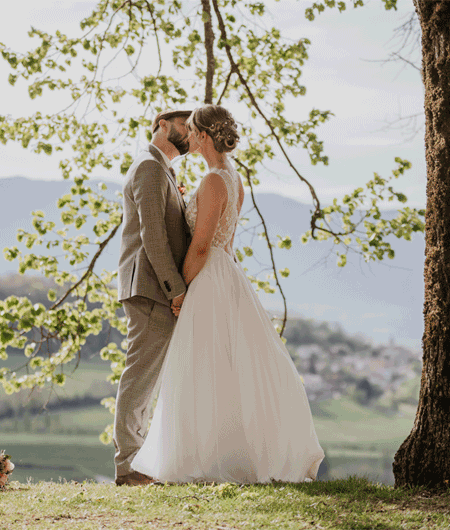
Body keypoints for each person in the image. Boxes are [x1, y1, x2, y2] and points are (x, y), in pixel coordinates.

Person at [130, 104, 325, 484]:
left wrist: (180, 292)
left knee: (203, 366)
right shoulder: (233, 179)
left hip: (206, 276)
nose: (188, 138)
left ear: (203, 136)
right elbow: (227, 243)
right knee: (226, 367)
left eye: (192, 131)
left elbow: (202, 246)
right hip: (226, 272)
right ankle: (228, 453)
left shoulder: (212, 182)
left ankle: (205, 458)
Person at [114, 109, 193, 486]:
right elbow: (153, 236)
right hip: (149, 287)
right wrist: (175, 288)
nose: (189, 133)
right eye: (184, 125)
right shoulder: (149, 166)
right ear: (162, 124)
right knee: (140, 377)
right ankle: (129, 465)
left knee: (147, 378)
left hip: (152, 286)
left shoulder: (161, 168)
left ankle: (139, 460)